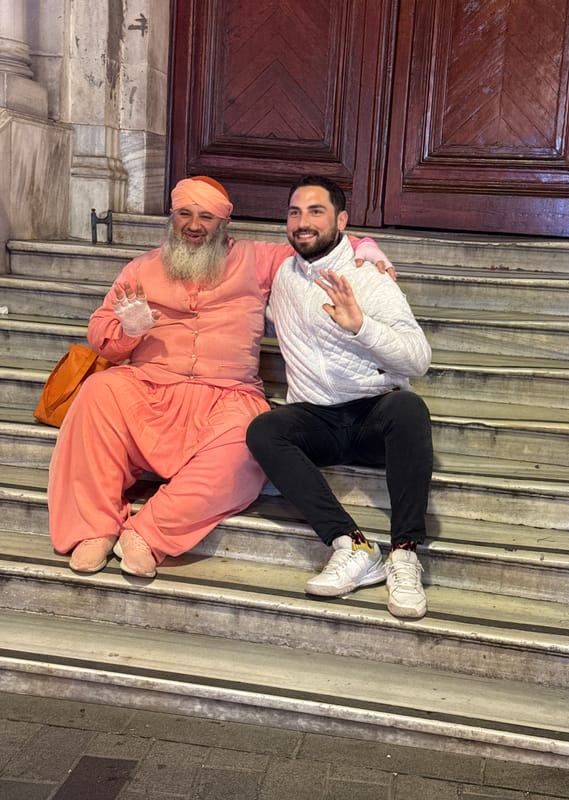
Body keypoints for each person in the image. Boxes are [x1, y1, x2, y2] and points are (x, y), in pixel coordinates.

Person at [48, 175, 391, 579]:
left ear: (222, 223)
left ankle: (148, 534)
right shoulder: (141, 268)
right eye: (185, 214)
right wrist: (129, 330)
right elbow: (101, 334)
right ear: (171, 218)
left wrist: (366, 248)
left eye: (206, 216)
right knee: (98, 392)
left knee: (251, 442)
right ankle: (95, 529)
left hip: (228, 397)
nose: (194, 225)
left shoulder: (257, 259)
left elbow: (315, 245)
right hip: (148, 390)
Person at [246, 175, 433, 618]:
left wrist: (361, 327)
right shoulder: (283, 274)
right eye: (295, 212)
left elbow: (419, 359)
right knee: (264, 429)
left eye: (316, 211)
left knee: (409, 407)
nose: (303, 222)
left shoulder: (370, 277)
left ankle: (404, 553)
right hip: (319, 420)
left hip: (373, 417)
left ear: (342, 220)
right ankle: (353, 545)